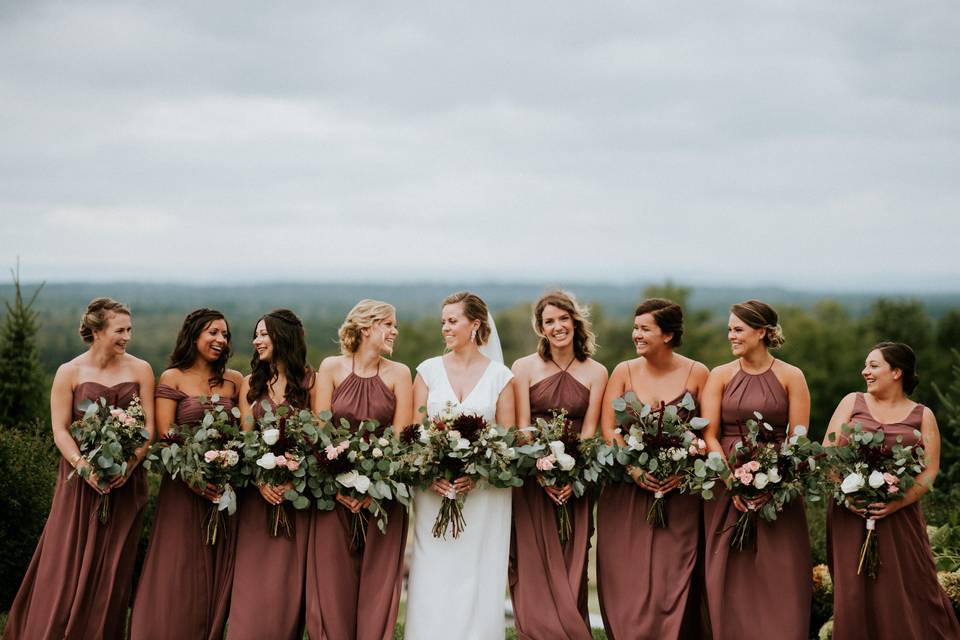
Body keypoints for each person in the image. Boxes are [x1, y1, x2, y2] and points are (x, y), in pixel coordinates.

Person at [3, 298, 155, 640]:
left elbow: (149, 429)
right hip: (78, 481)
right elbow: (60, 429)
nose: (127, 336)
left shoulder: (141, 369)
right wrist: (85, 468)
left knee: (113, 566)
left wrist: (128, 467)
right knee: (67, 560)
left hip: (126, 482)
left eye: (129, 329)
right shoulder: (68, 372)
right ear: (97, 331)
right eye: (120, 330)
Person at [824, 342, 960, 639]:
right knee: (854, 594)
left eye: (873, 366)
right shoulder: (852, 402)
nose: (865, 372)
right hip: (850, 514)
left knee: (909, 587)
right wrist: (847, 497)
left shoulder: (923, 415)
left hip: (901, 518)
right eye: (865, 365)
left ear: (897, 372)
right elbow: (828, 453)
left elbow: (930, 471)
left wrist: (897, 504)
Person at [595, 298, 710, 640]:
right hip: (627, 492)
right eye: (636, 328)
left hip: (680, 493)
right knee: (624, 576)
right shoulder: (623, 371)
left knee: (672, 577)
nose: (637, 335)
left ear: (669, 335)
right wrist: (632, 469)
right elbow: (609, 431)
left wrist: (686, 465)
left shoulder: (697, 373)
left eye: (645, 329)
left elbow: (707, 433)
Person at [404, 292, 516, 640]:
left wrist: (476, 472)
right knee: (434, 570)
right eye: (443, 322)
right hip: (433, 491)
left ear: (476, 324)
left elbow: (507, 441)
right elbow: (411, 434)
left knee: (477, 572)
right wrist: (433, 471)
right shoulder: (427, 371)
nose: (445, 328)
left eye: (453, 321)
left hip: (483, 495)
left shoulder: (501, 376)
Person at [701, 300, 811, 640]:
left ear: (761, 332)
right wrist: (730, 481)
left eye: (738, 329)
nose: (730, 335)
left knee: (781, 570)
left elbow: (799, 437)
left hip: (778, 488)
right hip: (726, 485)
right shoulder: (719, 375)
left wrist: (774, 481)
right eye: (729, 329)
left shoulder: (792, 376)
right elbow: (708, 433)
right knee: (727, 569)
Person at [130, 308, 243, 640]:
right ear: (193, 335)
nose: (220, 340)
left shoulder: (235, 380)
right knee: (176, 567)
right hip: (183, 488)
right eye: (213, 333)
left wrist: (224, 470)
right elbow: (166, 437)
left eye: (225, 334)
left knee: (217, 563)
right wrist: (196, 480)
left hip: (223, 489)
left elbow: (244, 433)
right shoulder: (172, 378)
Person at [306, 299, 413, 640]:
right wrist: (340, 486)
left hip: (382, 500)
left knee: (377, 588)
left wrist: (371, 490)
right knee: (332, 587)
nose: (395, 330)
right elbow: (320, 432)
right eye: (389, 324)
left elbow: (400, 440)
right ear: (367, 328)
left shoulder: (400, 374)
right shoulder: (332, 368)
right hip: (332, 495)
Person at [509, 290, 607, 640]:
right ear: (540, 328)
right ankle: (537, 630)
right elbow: (521, 428)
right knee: (533, 559)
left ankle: (570, 628)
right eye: (549, 321)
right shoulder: (523, 367)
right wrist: (542, 470)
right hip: (532, 478)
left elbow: (591, 433)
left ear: (575, 321)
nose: (557, 326)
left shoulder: (597, 372)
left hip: (577, 480)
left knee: (572, 559)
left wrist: (569, 473)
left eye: (563, 318)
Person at [227, 309, 316, 640]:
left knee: (287, 589)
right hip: (257, 500)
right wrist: (262, 478)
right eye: (256, 334)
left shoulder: (312, 381)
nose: (256, 340)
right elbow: (246, 438)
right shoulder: (250, 383)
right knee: (252, 591)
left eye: (264, 334)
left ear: (283, 337)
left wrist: (294, 476)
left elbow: (318, 436)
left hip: (296, 500)